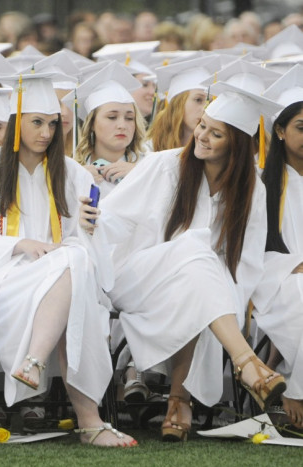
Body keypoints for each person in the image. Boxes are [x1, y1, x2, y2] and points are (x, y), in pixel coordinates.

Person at [80, 82, 286, 442]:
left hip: (204, 287)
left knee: (200, 274)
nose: (202, 135)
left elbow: (248, 262)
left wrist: (227, 294)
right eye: (203, 124)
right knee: (197, 251)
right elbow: (115, 220)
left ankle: (179, 403)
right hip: (138, 278)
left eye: (215, 133)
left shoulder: (252, 186)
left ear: (236, 145)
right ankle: (244, 364)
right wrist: (91, 218)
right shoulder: (163, 165)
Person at [0, 73, 136, 447]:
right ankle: (90, 422)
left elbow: (81, 243)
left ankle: (35, 360)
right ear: (16, 124)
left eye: (53, 124)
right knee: (74, 275)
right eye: (37, 123)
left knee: (73, 259)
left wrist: (90, 229)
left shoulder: (71, 172)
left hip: (61, 273)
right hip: (5, 276)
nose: (46, 132)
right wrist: (22, 244)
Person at [253, 65, 303, 428]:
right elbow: (251, 247)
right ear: (281, 131)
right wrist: (293, 266)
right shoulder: (261, 184)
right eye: (301, 127)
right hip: (274, 278)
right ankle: (294, 388)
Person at [68, 62, 146, 199]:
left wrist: (140, 174)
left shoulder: (149, 166)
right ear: (91, 123)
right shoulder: (72, 169)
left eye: (129, 118)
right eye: (112, 117)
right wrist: (75, 181)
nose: (122, 125)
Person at [148, 56, 221, 152]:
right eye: (198, 100)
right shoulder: (147, 150)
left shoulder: (215, 152)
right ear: (178, 103)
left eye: (210, 102)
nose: (205, 108)